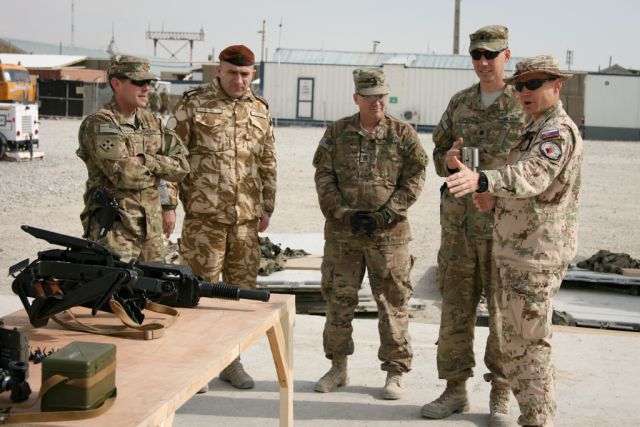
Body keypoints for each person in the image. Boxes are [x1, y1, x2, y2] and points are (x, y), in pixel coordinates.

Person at [446, 55, 582, 427]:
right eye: (520, 85)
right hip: (517, 253)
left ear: (557, 86)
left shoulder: (556, 132)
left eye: (534, 84)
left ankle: (539, 420)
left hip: (536, 256)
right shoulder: (533, 128)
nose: (524, 91)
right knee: (517, 345)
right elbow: (533, 192)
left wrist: (484, 180)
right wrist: (495, 200)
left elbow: (534, 174)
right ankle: (532, 417)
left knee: (530, 346)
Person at [421, 25, 524, 425]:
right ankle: (455, 390)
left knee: (502, 313)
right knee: (455, 310)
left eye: (490, 55)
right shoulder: (460, 102)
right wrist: (447, 161)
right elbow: (438, 154)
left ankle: (501, 392)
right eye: (477, 56)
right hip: (459, 227)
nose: (483, 62)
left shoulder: (522, 102)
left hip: (503, 227)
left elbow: (534, 167)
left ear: (506, 56)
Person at [312, 67, 428, 400]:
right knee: (339, 301)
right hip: (343, 236)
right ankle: (338, 368)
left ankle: (395, 371)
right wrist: (343, 213)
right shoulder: (337, 133)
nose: (377, 102)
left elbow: (416, 177)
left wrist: (388, 213)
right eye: (369, 97)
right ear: (356, 98)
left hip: (388, 237)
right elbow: (324, 176)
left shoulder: (403, 134)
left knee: (393, 304)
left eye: (381, 96)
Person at [171, 45, 277, 390]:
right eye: (232, 73)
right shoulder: (193, 104)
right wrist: (167, 205)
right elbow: (172, 156)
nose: (239, 80)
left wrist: (267, 205)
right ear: (219, 71)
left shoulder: (260, 109)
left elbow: (267, 160)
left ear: (253, 74)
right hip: (204, 221)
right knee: (197, 293)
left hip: (245, 223)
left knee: (240, 296)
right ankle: (196, 365)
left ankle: (231, 362)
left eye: (245, 74)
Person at [77, 55, 189, 262]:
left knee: (154, 282)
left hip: (151, 231)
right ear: (116, 83)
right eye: (139, 82)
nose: (146, 88)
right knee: (117, 283)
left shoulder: (151, 122)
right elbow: (124, 175)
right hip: (116, 231)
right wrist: (160, 168)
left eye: (149, 82)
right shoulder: (101, 123)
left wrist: (146, 161)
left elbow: (182, 166)